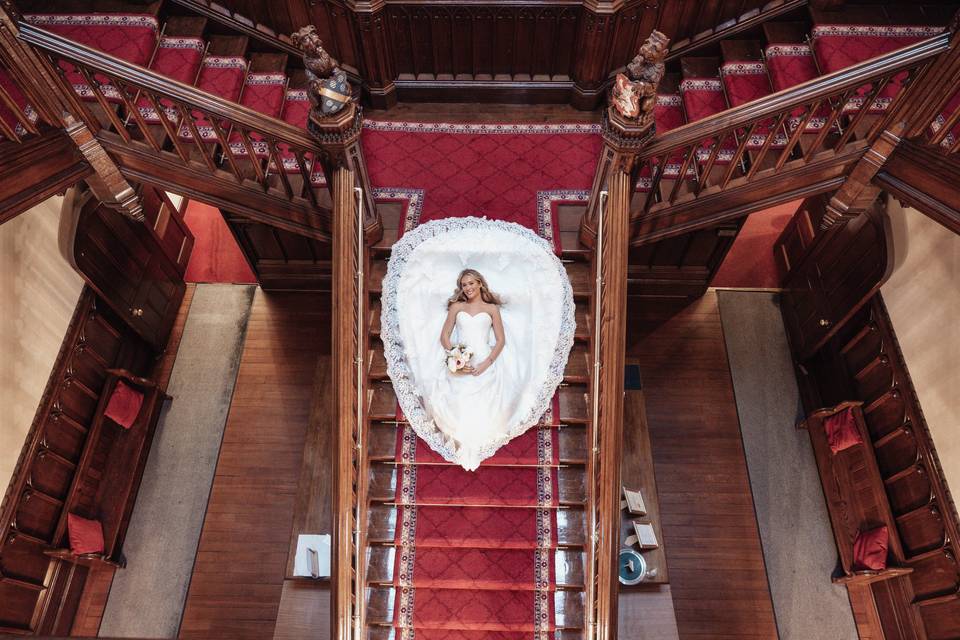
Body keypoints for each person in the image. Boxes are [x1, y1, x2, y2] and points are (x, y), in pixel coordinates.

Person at [426, 269, 518, 470]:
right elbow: (445, 337)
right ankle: (461, 441)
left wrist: (487, 363)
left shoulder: (492, 309)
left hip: (484, 361)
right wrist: (456, 358)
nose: (467, 288)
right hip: (461, 362)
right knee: (459, 398)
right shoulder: (457, 307)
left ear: (480, 283)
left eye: (470, 283)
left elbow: (501, 340)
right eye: (464, 285)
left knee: (483, 402)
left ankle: (477, 441)